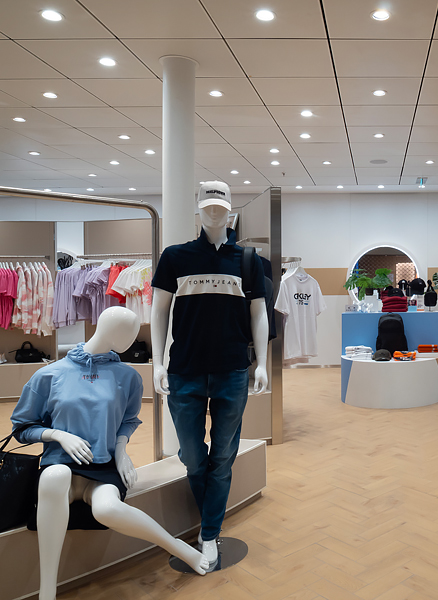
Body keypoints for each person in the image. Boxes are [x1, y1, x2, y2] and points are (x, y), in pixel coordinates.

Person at [11, 307, 209, 600]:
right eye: (130, 329)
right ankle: (47, 591)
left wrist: (120, 451)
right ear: (109, 330)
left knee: (106, 509)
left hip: (102, 468)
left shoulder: (127, 376)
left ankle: (180, 548)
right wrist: (58, 435)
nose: (134, 336)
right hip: (59, 465)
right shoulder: (49, 374)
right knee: (55, 475)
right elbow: (22, 427)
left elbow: (128, 420)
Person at [150, 181, 269, 568]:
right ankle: (210, 521)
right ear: (198, 211)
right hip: (184, 370)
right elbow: (158, 311)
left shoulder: (248, 261)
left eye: (221, 207)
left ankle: (209, 532)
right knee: (191, 456)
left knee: (222, 457)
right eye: (208, 207)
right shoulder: (175, 257)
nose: (214, 213)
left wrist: (263, 362)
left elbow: (259, 313)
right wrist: (157, 361)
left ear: (231, 211)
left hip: (232, 371)